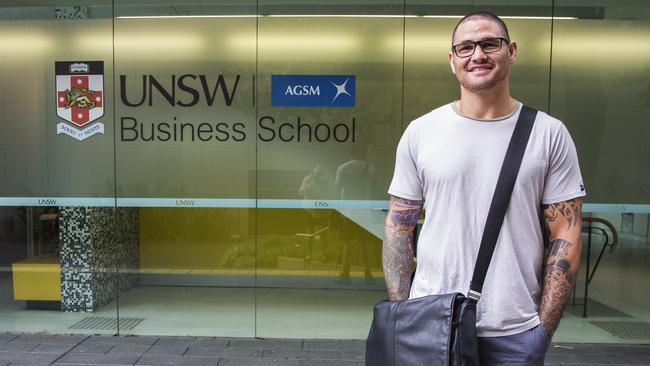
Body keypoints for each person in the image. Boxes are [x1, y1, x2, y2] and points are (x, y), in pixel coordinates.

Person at [383, 11, 585, 365]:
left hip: (516, 330)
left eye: (490, 43)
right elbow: (399, 226)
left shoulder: (548, 133)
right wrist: (404, 312)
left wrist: (542, 330)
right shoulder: (422, 132)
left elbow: (566, 232)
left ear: (512, 51)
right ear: (452, 60)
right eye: (465, 47)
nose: (478, 55)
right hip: (429, 322)